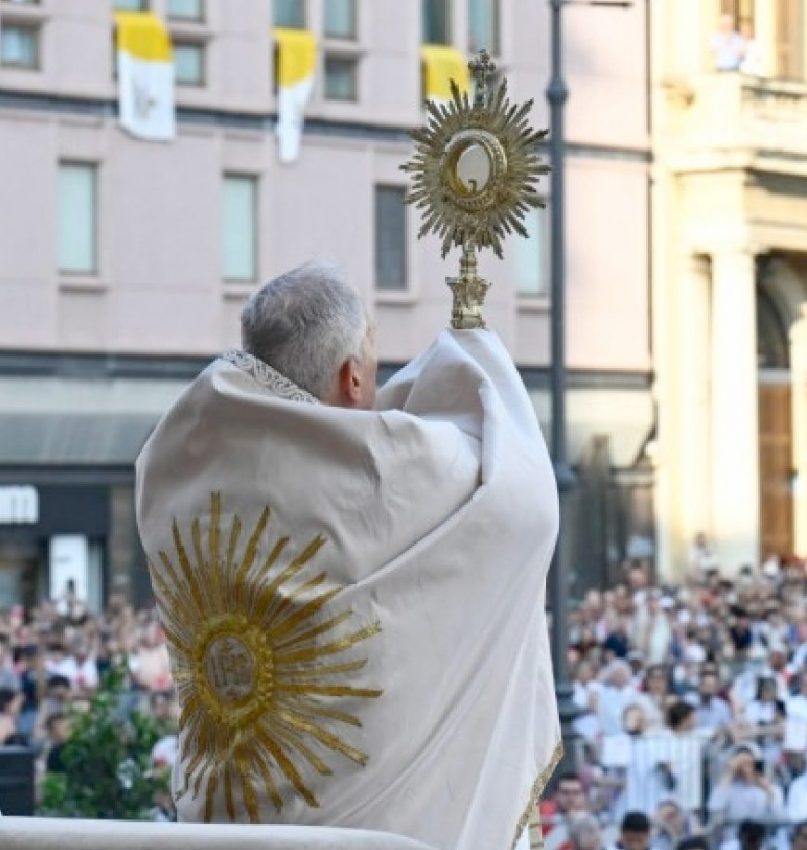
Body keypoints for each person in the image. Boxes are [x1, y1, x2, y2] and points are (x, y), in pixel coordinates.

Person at [135, 264, 560, 850]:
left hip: (222, 817)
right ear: (352, 378)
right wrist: (473, 353)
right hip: (359, 828)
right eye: (374, 371)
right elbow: (524, 499)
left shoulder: (173, 460)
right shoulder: (382, 471)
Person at [707, 742, 784, 825]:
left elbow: (779, 816)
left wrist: (768, 789)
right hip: (734, 832)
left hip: (761, 831)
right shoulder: (728, 787)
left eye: (749, 761)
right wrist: (730, 772)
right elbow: (714, 807)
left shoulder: (772, 788)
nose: (745, 765)